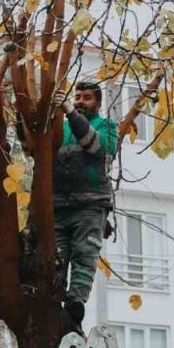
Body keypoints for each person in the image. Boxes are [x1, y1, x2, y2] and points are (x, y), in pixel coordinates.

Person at [53, 81, 118, 330]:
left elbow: (94, 146)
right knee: (55, 260)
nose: (80, 101)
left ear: (98, 104)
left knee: (84, 254)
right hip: (59, 205)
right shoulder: (60, 128)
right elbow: (34, 150)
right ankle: (53, 305)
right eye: (77, 96)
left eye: (87, 97)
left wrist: (70, 111)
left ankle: (75, 305)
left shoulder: (107, 127)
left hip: (90, 203)